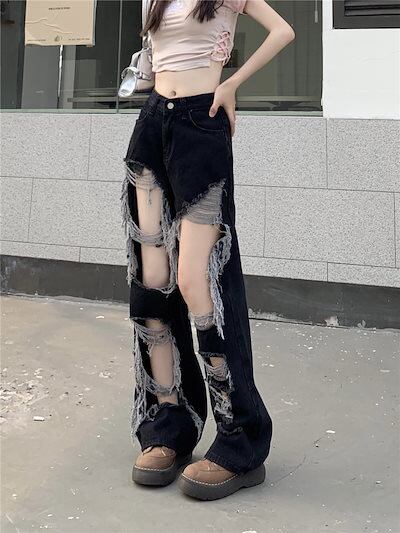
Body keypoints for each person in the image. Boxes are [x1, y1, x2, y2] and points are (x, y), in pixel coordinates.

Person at [120, 0, 295, 501]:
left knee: (200, 283)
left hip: (201, 123)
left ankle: (240, 439)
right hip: (153, 124)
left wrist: (231, 84)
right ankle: (168, 425)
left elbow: (283, 30)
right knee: (152, 283)